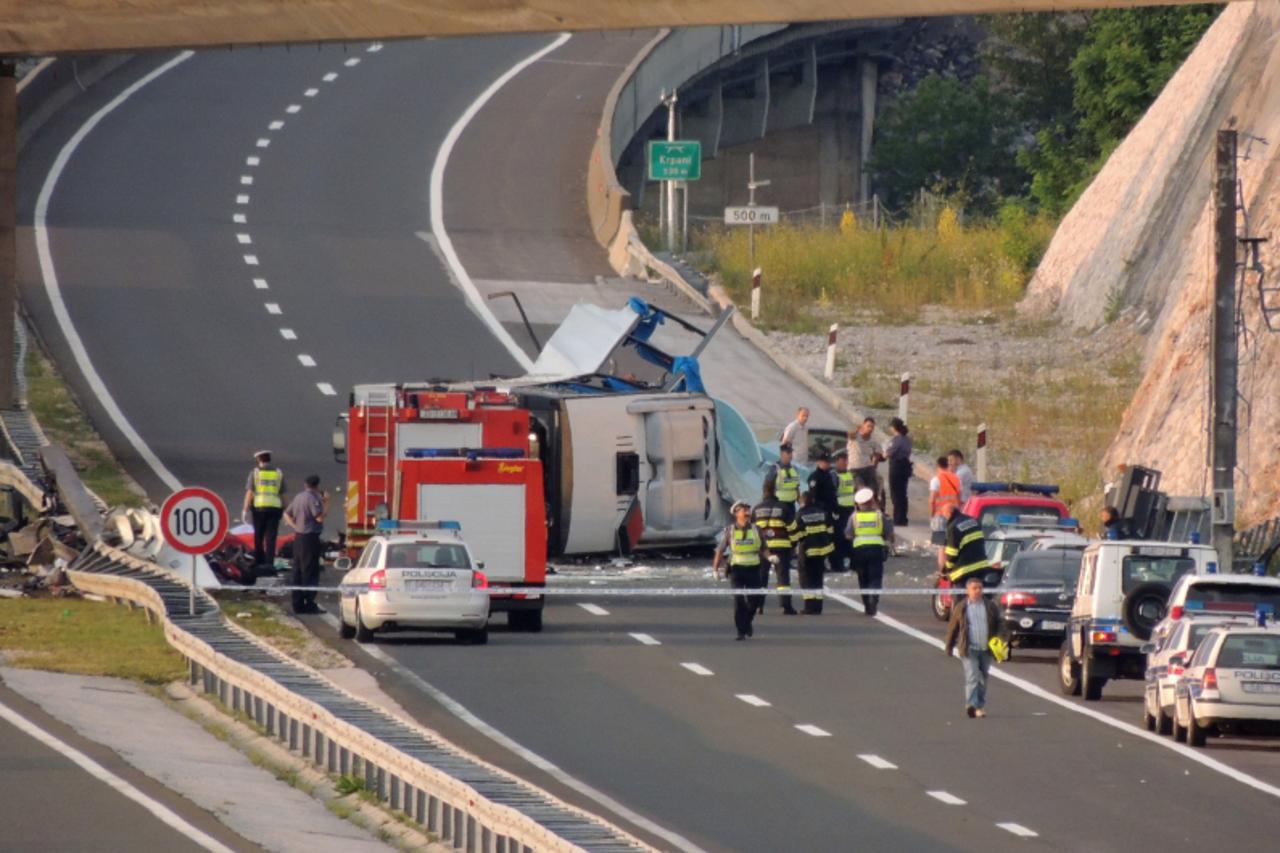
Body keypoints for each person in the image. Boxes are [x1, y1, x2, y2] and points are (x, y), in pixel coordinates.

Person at [944, 576, 1001, 718]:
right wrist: (949, 646)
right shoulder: (961, 607)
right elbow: (953, 628)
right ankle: (971, 704)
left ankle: (980, 706)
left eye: (980, 588)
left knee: (983, 678)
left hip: (986, 648)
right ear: (967, 590)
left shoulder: (990, 606)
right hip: (969, 648)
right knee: (972, 676)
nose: (977, 591)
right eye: (974, 588)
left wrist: (1001, 639)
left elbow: (1000, 624)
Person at [712, 501, 763, 640]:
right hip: (736, 569)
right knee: (739, 600)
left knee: (755, 600)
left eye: (748, 510)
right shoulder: (730, 531)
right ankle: (741, 631)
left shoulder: (756, 529)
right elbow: (720, 550)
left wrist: (771, 557)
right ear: (736, 514)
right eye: (743, 510)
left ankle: (747, 622)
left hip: (753, 568)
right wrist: (715, 569)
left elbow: (764, 548)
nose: (747, 513)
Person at [283, 474, 328, 614]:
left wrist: (295, 526)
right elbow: (319, 518)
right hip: (310, 538)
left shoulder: (299, 497)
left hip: (299, 537)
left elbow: (286, 514)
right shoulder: (313, 499)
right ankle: (309, 603)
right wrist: (327, 502)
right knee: (310, 570)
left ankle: (297, 603)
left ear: (305, 484)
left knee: (297, 570)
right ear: (317, 486)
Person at [752, 483, 798, 615]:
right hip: (781, 546)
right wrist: (793, 545)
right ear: (775, 492)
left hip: (763, 548)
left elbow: (753, 530)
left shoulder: (756, 509)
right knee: (783, 578)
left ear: (763, 493)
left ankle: (758, 605)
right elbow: (792, 529)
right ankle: (785, 606)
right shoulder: (784, 508)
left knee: (761, 576)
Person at [848, 488, 891, 616]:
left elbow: (848, 534)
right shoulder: (879, 515)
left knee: (863, 577)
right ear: (871, 501)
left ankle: (867, 604)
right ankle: (873, 599)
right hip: (876, 549)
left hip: (859, 550)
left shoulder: (854, 517)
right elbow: (888, 532)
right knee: (875, 576)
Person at [243, 450, 286, 570]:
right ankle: (269, 564)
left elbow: (250, 493)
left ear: (258, 460)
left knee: (259, 537)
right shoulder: (278, 473)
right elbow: (283, 494)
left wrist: (245, 509)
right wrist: (287, 511)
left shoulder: (255, 473)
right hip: (275, 509)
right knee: (271, 538)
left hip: (259, 508)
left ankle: (259, 562)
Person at [793, 491, 834, 614]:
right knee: (818, 578)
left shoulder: (800, 514)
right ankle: (818, 606)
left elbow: (797, 533)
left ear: (803, 501)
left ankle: (809, 606)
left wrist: (795, 543)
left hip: (807, 550)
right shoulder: (822, 512)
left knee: (806, 578)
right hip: (822, 550)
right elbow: (830, 530)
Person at [941, 503, 993, 588]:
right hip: (981, 567)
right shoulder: (974, 521)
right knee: (977, 597)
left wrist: (946, 569)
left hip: (964, 572)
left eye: (944, 516)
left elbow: (952, 554)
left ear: (948, 514)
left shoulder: (953, 527)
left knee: (962, 600)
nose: (945, 519)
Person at [929, 456, 962, 573]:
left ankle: (942, 572)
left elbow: (932, 500)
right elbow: (959, 498)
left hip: (940, 515)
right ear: (947, 465)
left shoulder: (936, 480)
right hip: (954, 515)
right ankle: (952, 568)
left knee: (941, 546)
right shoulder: (956, 479)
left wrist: (932, 514)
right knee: (953, 544)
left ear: (938, 466)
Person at [884, 418, 913, 526]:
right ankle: (903, 518)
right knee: (903, 494)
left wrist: (884, 453)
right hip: (905, 467)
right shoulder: (907, 440)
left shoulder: (897, 440)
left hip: (897, 467)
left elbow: (889, 453)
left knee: (895, 494)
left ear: (894, 427)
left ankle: (898, 518)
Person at [832, 452, 857, 573]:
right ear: (837, 461)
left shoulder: (850, 475)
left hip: (850, 509)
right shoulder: (834, 475)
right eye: (843, 460)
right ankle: (839, 563)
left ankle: (852, 562)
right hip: (840, 510)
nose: (845, 463)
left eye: (846, 460)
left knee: (850, 537)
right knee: (840, 538)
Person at [846, 417, 880, 492]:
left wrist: (874, 466)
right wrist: (857, 428)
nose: (870, 429)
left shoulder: (873, 441)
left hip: (868, 468)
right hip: (854, 469)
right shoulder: (855, 437)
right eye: (868, 426)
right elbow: (850, 434)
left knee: (872, 490)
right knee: (862, 490)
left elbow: (877, 454)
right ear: (863, 426)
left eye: (872, 427)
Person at [764, 443, 802, 508]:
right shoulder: (775, 468)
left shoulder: (794, 469)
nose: (790, 455)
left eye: (791, 452)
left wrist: (801, 503)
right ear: (781, 454)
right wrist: (767, 503)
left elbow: (796, 488)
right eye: (788, 452)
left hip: (791, 505)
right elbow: (767, 487)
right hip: (778, 504)